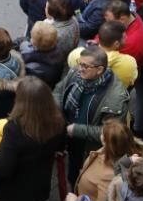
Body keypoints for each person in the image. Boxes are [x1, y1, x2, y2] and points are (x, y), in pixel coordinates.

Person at [0, 77, 66, 201]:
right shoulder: (58, 121)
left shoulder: (15, 128)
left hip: (16, 189)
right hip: (40, 183)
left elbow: (3, 167)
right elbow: (60, 147)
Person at [54, 44, 131, 186]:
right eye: (80, 63)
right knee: (72, 172)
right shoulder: (77, 74)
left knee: (83, 179)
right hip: (70, 138)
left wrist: (76, 130)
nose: (80, 68)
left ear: (100, 69)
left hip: (89, 148)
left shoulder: (116, 98)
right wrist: (58, 113)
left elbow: (109, 133)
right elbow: (59, 90)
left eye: (85, 66)